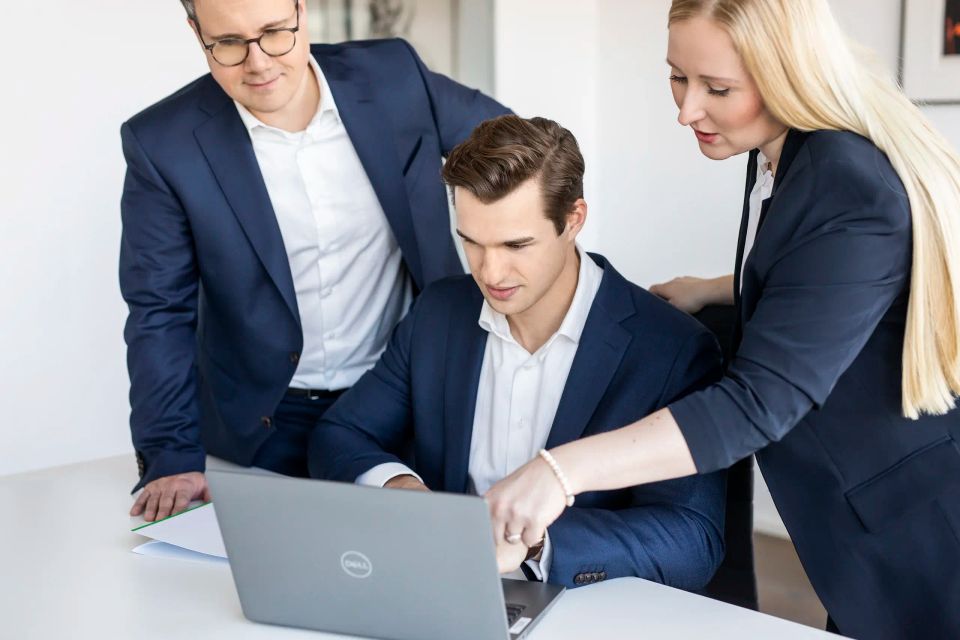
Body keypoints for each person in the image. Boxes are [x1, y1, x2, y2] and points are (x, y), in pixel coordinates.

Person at [483, 1, 960, 637]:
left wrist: (561, 471)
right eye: (678, 77)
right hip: (862, 524)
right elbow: (825, 274)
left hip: (921, 531)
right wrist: (722, 288)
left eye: (717, 88)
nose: (687, 110)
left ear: (789, 73)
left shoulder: (847, 180)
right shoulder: (782, 152)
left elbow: (754, 405)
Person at [120, 0, 509, 522]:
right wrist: (170, 453)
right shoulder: (163, 143)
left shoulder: (394, 75)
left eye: (276, 32)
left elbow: (515, 149)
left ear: (303, 10)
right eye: (228, 44)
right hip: (264, 422)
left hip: (401, 398)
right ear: (196, 33)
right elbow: (159, 312)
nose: (258, 63)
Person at [308, 115, 727, 589]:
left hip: (579, 605)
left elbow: (693, 540)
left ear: (573, 220)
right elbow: (340, 434)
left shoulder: (671, 347)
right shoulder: (439, 312)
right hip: (436, 589)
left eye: (516, 244)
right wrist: (398, 488)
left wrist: (535, 544)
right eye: (471, 242)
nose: (491, 272)